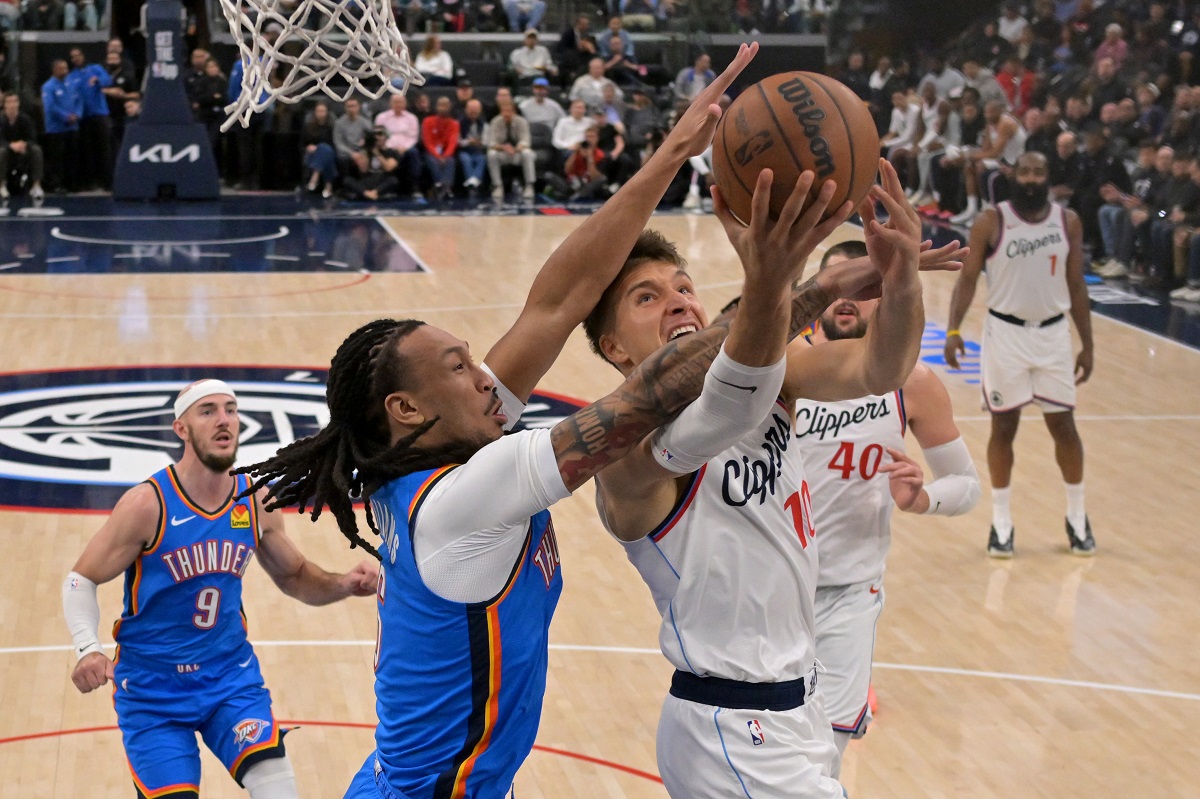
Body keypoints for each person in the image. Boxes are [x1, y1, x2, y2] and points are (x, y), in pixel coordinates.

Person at [230, 43, 770, 799]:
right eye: (458, 365)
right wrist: (787, 288)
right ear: (406, 408)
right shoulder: (464, 498)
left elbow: (560, 297)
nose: (486, 372)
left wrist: (673, 152)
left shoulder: (446, 443)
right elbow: (651, 392)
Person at [582, 159, 959, 797]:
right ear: (615, 348)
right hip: (733, 727)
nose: (678, 300)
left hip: (796, 705)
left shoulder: (775, 382)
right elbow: (728, 375)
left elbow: (881, 366)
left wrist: (900, 284)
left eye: (683, 286)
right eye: (647, 298)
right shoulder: (625, 451)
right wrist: (793, 279)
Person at [62, 380, 379, 799]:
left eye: (230, 409)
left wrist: (344, 584)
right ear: (181, 428)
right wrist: (88, 647)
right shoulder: (148, 504)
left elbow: (294, 576)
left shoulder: (253, 499)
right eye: (207, 410)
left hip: (229, 678)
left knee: (280, 791)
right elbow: (80, 579)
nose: (224, 419)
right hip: (153, 690)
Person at [799, 240, 980, 769]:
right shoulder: (783, 371)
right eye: (840, 284)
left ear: (884, 299)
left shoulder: (912, 385)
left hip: (850, 593)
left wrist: (923, 499)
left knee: (821, 758)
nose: (851, 297)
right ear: (816, 295)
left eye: (867, 286)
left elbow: (965, 485)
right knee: (767, 753)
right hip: (771, 588)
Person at [945, 150, 1096, 558]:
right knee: (1004, 426)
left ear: (1048, 177)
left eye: (1039, 171)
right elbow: (968, 280)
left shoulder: (1068, 222)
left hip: (1053, 336)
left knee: (1064, 426)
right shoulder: (991, 221)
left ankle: (1078, 518)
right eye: (1025, 171)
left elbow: (1077, 285)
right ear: (1015, 176)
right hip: (1005, 336)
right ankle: (1001, 522)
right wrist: (954, 329)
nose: (1031, 178)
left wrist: (1088, 343)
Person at [67, 46, 113, 190]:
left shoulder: (96, 68)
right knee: (88, 151)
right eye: (73, 56)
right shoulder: (71, 76)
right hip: (84, 118)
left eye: (78, 55)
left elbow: (108, 80)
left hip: (99, 115)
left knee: (104, 148)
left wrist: (98, 80)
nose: (76, 58)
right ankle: (90, 182)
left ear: (83, 55)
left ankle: (108, 182)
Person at [41, 58, 80, 194]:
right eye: (63, 68)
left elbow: (78, 100)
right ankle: (55, 184)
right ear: (55, 69)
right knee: (57, 158)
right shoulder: (48, 86)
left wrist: (77, 114)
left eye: (66, 68)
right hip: (56, 129)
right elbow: (50, 107)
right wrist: (65, 117)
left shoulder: (70, 84)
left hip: (72, 127)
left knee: (71, 157)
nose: (66, 71)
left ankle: (71, 183)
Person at [487, 99, 537, 200]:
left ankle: (529, 185)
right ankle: (497, 186)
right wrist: (503, 147)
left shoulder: (522, 121)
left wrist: (517, 148)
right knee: (491, 154)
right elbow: (491, 143)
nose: (507, 114)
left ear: (514, 112)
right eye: (504, 111)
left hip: (518, 154)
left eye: (509, 111)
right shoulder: (495, 122)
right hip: (503, 154)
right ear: (501, 112)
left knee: (527, 153)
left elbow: (526, 141)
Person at [0, 92, 45, 203]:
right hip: (7, 153)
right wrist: (10, 145)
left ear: (18, 103)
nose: (12, 104)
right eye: (9, 102)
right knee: (1, 152)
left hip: (23, 152)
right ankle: (2, 185)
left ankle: (36, 186)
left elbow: (32, 138)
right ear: (4, 104)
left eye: (15, 101)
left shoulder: (26, 119)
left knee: (36, 150)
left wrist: (23, 144)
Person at [422, 96, 460, 201]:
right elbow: (427, 142)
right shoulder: (428, 121)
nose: (443, 108)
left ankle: (445, 187)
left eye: (445, 105)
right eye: (441, 105)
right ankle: (441, 185)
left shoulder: (454, 124)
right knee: (433, 161)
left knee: (450, 161)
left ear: (450, 107)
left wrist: (445, 155)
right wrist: (438, 156)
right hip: (431, 152)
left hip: (446, 152)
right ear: (436, 107)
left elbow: (453, 142)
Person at [302, 101, 338, 198]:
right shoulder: (308, 127)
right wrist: (307, 148)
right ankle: (328, 186)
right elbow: (302, 144)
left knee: (324, 148)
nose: (321, 113)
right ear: (315, 112)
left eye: (323, 111)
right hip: (312, 155)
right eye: (318, 111)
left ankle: (315, 176)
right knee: (326, 154)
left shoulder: (331, 127)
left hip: (329, 152)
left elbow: (334, 143)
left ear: (327, 113)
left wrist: (318, 147)